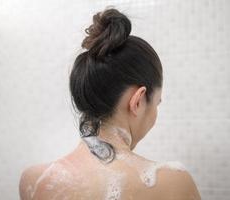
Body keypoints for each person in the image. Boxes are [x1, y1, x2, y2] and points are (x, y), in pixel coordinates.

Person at [19, 6, 202, 200]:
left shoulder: (35, 182)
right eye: (157, 103)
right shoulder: (174, 185)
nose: (155, 113)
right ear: (138, 101)